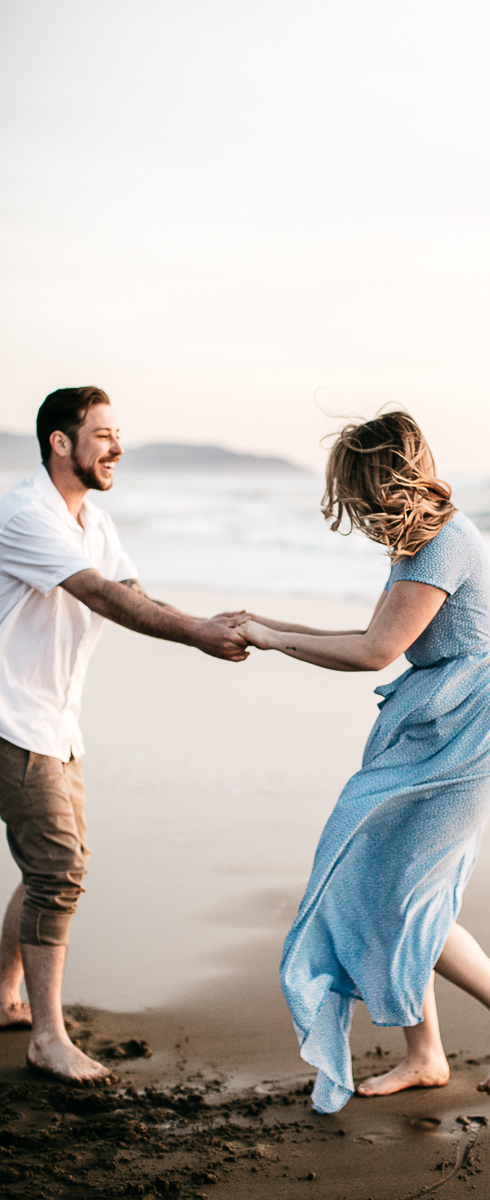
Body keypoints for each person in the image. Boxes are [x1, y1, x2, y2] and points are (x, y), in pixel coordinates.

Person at [239, 412, 490, 1113]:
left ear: (378, 482)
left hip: (475, 739)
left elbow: (374, 653)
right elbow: (372, 633)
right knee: (400, 889)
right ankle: (427, 1054)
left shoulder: (445, 543)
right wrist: (270, 627)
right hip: (444, 730)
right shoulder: (417, 548)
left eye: (353, 493)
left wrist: (270, 638)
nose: (352, 510)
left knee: (399, 892)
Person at [0, 387, 250, 1086]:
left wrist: (209, 624)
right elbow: (103, 596)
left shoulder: (94, 522)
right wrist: (197, 634)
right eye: (103, 434)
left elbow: (134, 593)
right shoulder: (26, 515)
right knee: (58, 870)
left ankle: (4, 994)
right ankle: (48, 1039)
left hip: (55, 722)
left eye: (118, 434)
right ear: (60, 442)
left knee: (59, 863)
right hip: (10, 719)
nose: (117, 447)